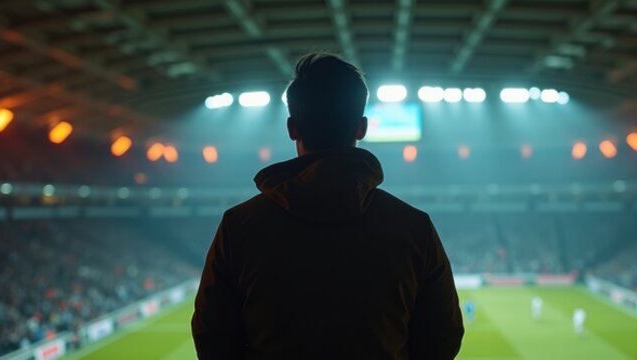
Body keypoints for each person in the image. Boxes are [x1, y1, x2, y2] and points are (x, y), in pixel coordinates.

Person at [191, 52, 464, 359]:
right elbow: (443, 338)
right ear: (361, 127)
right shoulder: (414, 228)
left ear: (292, 128)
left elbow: (212, 339)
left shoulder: (238, 227)